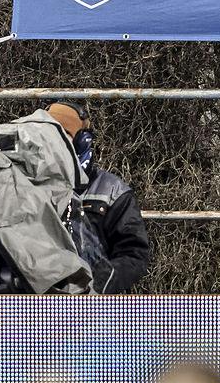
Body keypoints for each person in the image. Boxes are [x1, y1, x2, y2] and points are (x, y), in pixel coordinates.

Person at [46, 103, 151, 293]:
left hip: (95, 302)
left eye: (62, 137)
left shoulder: (112, 192)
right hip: (38, 298)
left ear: (82, 142)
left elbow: (134, 253)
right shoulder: (27, 185)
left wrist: (100, 285)